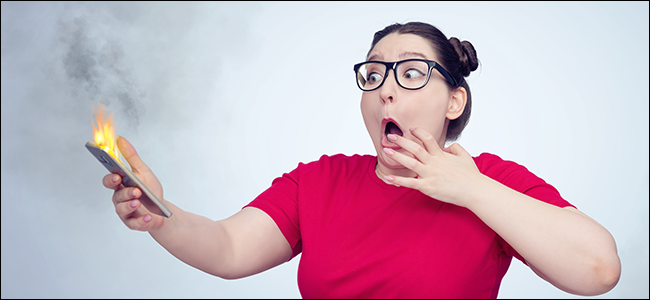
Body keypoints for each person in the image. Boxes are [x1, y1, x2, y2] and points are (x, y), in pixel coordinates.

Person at [102, 22, 621, 298]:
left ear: (455, 101)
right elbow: (229, 248)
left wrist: (470, 188)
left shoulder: (496, 184)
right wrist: (159, 214)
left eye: (411, 73)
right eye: (373, 76)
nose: (386, 92)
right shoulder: (320, 180)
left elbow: (598, 270)